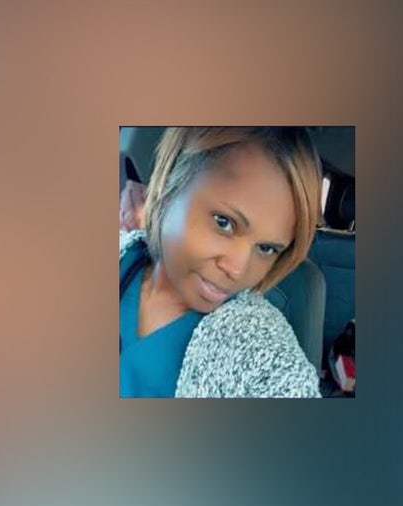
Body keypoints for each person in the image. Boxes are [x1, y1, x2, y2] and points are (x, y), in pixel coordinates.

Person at [120, 127, 322, 398]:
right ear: (170, 182)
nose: (237, 270)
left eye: (266, 249)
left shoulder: (256, 343)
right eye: (224, 223)